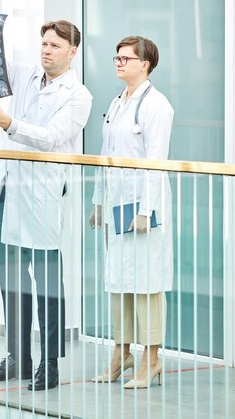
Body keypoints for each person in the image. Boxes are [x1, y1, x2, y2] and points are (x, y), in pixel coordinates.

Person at [0, 6, 92, 390]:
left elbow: (51, 137)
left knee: (46, 284)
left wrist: (8, 123)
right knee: (11, 282)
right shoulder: (26, 77)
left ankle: (49, 364)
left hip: (41, 196)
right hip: (7, 191)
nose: (46, 50)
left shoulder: (78, 96)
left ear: (73, 51)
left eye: (55, 45)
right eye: (43, 43)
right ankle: (18, 358)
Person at [90, 36, 173, 389]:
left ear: (146, 64)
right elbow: (104, 153)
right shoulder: (117, 102)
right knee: (119, 283)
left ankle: (150, 361)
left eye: (126, 58)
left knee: (146, 284)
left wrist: (145, 210)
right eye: (117, 57)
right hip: (115, 204)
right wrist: (97, 201)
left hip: (142, 208)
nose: (119, 63)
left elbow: (155, 162)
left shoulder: (157, 106)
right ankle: (120, 355)